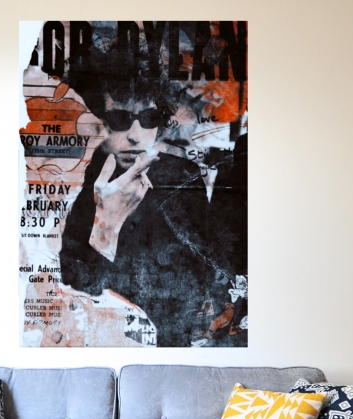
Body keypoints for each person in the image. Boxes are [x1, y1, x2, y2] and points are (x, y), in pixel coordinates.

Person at [58, 50, 237, 347]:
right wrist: (107, 225)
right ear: (98, 121)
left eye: (149, 118)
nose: (136, 135)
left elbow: (206, 272)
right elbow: (75, 295)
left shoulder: (181, 176)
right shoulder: (76, 182)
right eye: (120, 118)